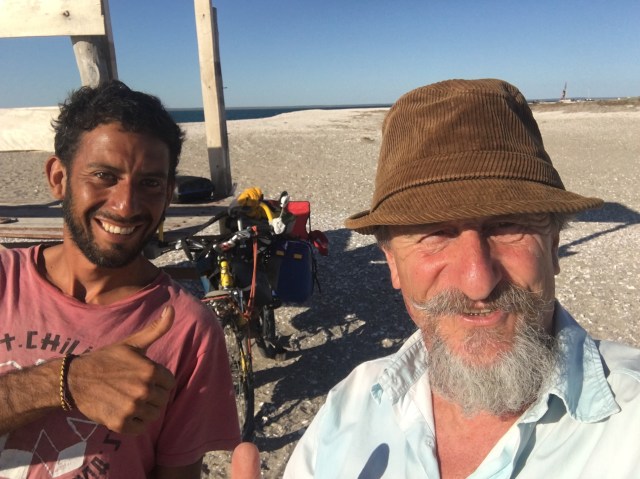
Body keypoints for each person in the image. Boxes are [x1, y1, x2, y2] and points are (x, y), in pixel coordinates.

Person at [284, 79, 640, 478]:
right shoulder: (348, 410)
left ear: (553, 245)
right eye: (435, 233)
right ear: (392, 263)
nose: (478, 282)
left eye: (507, 225)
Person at [0, 80, 257, 478]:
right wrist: (66, 382)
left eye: (150, 183)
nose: (125, 206)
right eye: (104, 175)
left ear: (168, 193)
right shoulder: (5, 279)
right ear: (59, 177)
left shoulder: (187, 330)